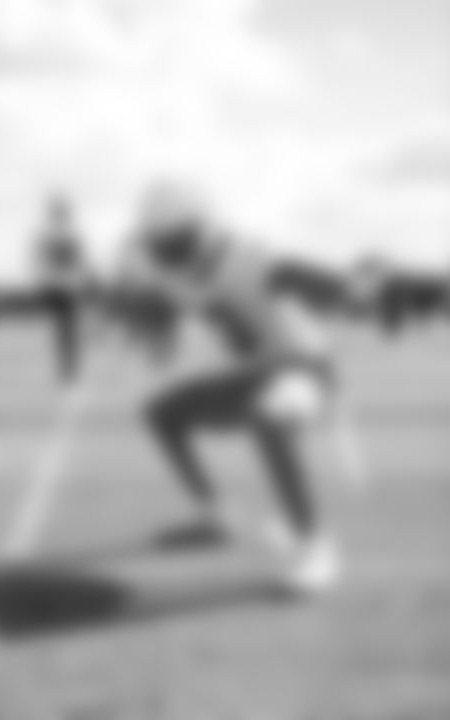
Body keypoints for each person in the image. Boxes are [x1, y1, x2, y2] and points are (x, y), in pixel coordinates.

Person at [110, 181, 343, 595]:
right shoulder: (175, 274)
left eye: (171, 243)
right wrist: (145, 324)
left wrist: (327, 294)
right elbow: (163, 347)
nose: (164, 253)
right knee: (162, 414)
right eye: (160, 244)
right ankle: (217, 515)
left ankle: (314, 547)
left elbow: (332, 286)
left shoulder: (251, 256)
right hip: (254, 373)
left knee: (270, 419)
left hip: (304, 367)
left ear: (198, 232)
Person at [34, 195, 93, 385]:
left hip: (65, 286)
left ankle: (67, 368)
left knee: (65, 329)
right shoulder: (59, 236)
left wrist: (78, 279)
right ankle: (67, 368)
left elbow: (79, 261)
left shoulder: (62, 237)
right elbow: (43, 260)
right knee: (65, 328)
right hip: (61, 286)